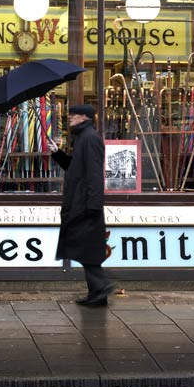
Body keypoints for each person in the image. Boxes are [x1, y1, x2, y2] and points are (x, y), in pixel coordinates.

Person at [51, 104, 115, 307]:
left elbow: (95, 174)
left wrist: (94, 204)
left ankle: (102, 285)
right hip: (82, 202)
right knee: (86, 248)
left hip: (86, 204)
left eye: (73, 115)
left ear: (83, 117)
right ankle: (98, 293)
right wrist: (57, 153)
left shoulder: (90, 138)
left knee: (85, 247)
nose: (69, 118)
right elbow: (75, 168)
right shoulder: (83, 138)